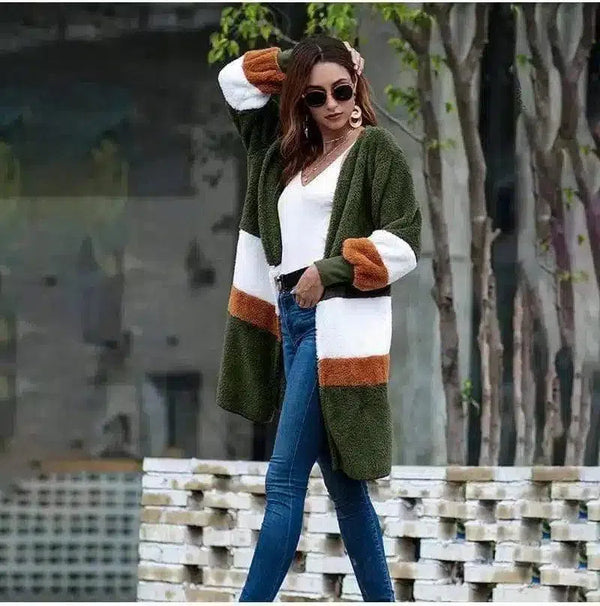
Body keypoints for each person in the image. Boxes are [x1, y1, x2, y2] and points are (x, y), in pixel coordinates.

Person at [216, 34, 421, 602]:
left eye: (341, 90)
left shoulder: (375, 150)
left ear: (357, 90)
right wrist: (298, 59)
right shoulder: (287, 153)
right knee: (345, 488)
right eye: (315, 95)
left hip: (333, 324)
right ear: (300, 101)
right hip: (288, 319)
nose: (331, 104)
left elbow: (404, 241)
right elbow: (234, 80)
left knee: (283, 477)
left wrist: (328, 271)